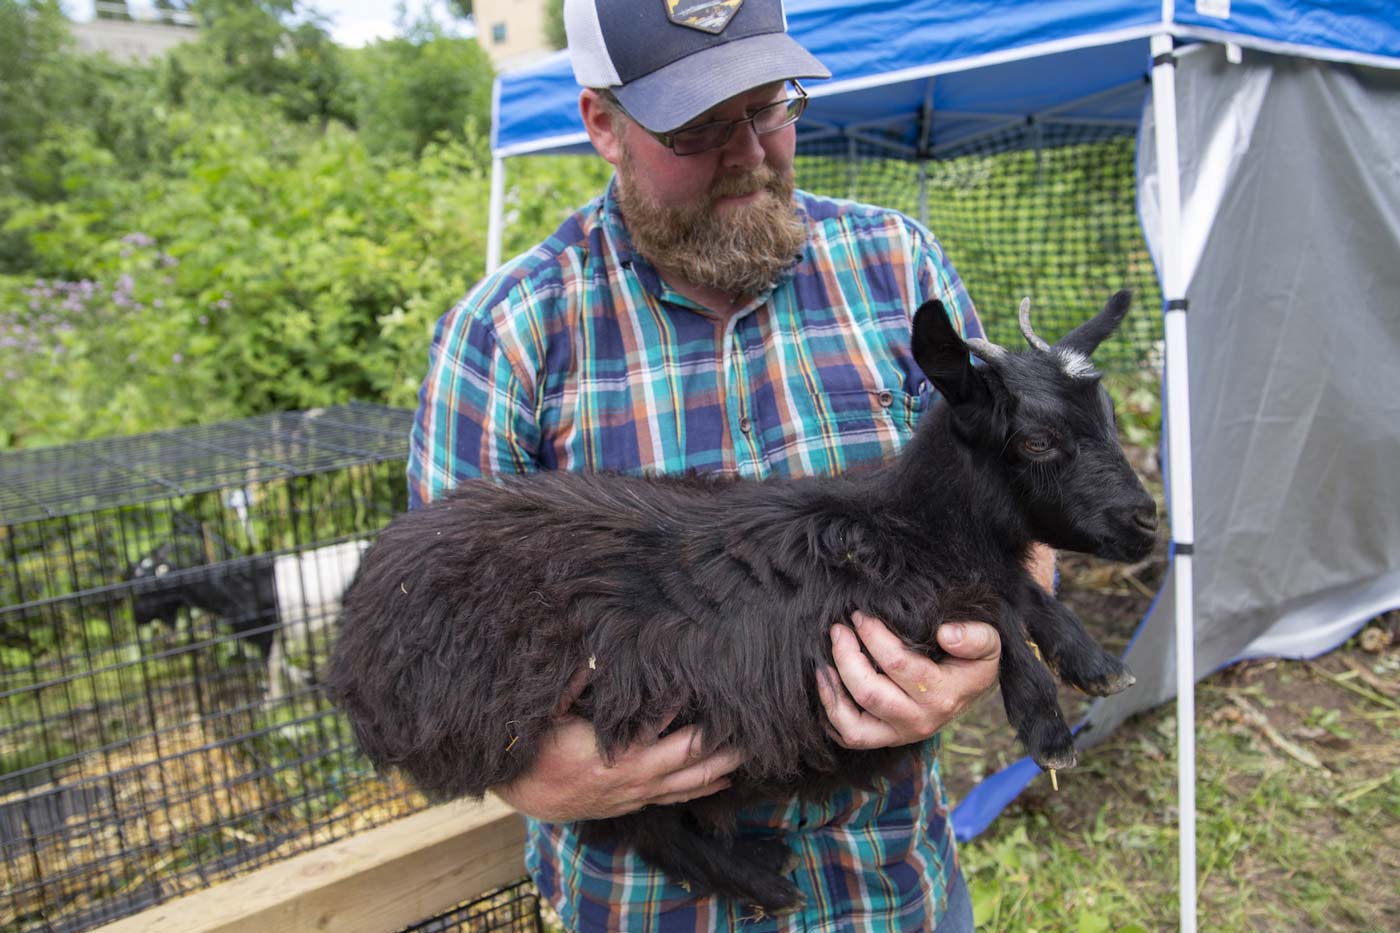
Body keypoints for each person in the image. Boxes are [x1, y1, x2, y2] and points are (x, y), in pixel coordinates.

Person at [408, 1, 1049, 928]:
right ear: (602, 124)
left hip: (892, 886)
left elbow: (1019, 511)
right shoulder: (509, 336)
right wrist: (538, 772)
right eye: (700, 126)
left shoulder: (896, 268)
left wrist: (983, 652)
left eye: (769, 106)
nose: (749, 151)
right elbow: (434, 638)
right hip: (649, 900)